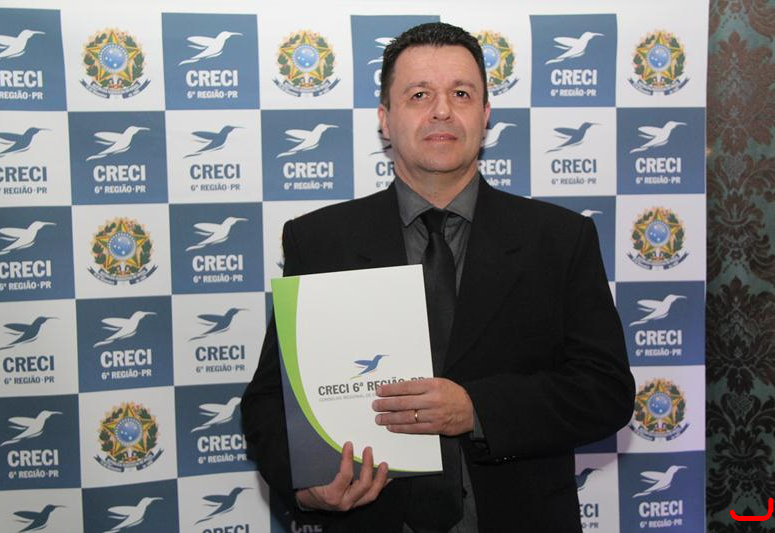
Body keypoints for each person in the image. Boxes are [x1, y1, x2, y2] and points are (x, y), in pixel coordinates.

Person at [241, 22, 635, 533]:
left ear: (485, 115)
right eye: (419, 95)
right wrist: (307, 487)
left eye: (461, 94)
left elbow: (605, 392)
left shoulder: (560, 239)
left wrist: (477, 409)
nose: (442, 110)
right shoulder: (319, 240)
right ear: (385, 119)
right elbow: (270, 401)